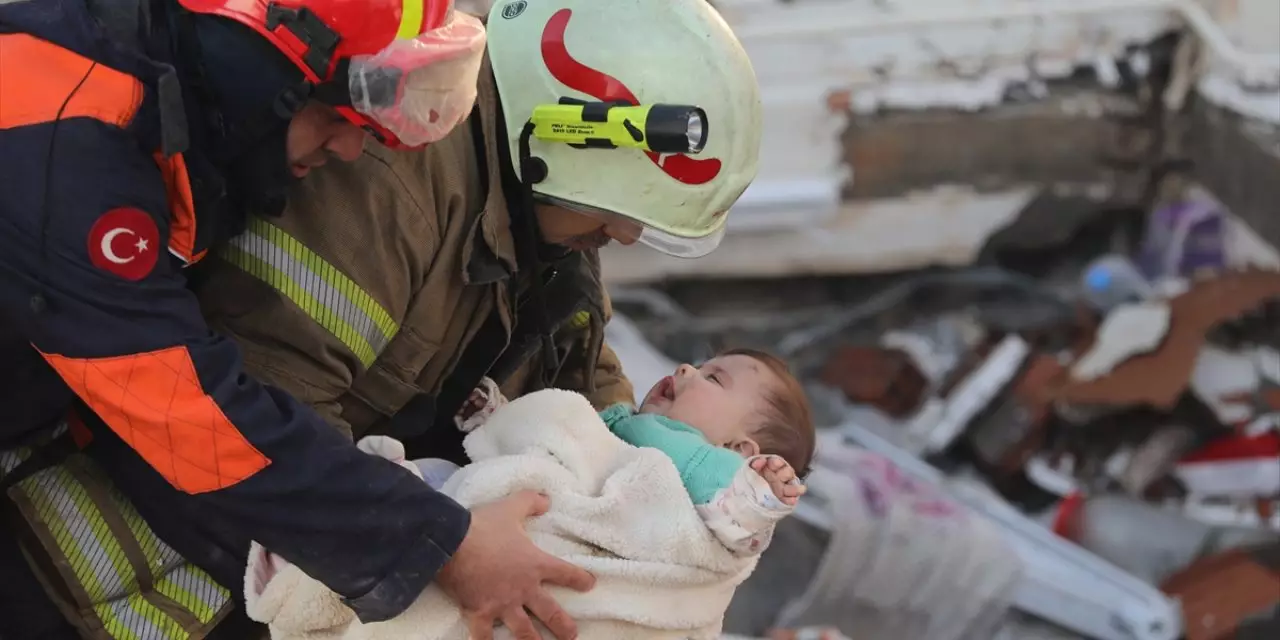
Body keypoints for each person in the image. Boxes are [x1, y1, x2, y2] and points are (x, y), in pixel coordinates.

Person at [0, 0, 593, 638]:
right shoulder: (68, 143)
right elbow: (185, 413)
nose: (349, 146)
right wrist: (444, 544)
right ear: (253, 63)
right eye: (330, 112)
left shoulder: (156, 105)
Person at [453, 348, 817, 554]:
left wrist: (759, 490)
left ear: (737, 449)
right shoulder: (629, 425)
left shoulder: (704, 466)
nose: (687, 367)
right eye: (701, 364)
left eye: (714, 378)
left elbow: (738, 513)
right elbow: (566, 443)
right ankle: (498, 422)